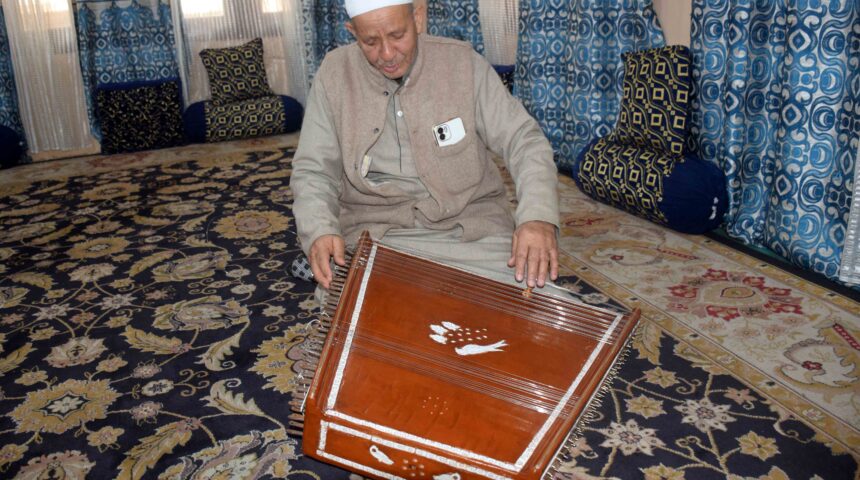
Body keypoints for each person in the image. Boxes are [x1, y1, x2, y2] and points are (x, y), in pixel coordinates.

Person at [291, 0, 561, 298]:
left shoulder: (462, 64)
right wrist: (320, 230)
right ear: (352, 32)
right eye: (370, 41)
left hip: (472, 235)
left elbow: (525, 140)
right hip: (378, 237)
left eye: (397, 35)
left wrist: (537, 217)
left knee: (541, 312)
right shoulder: (334, 75)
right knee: (360, 321)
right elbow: (313, 170)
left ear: (418, 17)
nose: (387, 54)